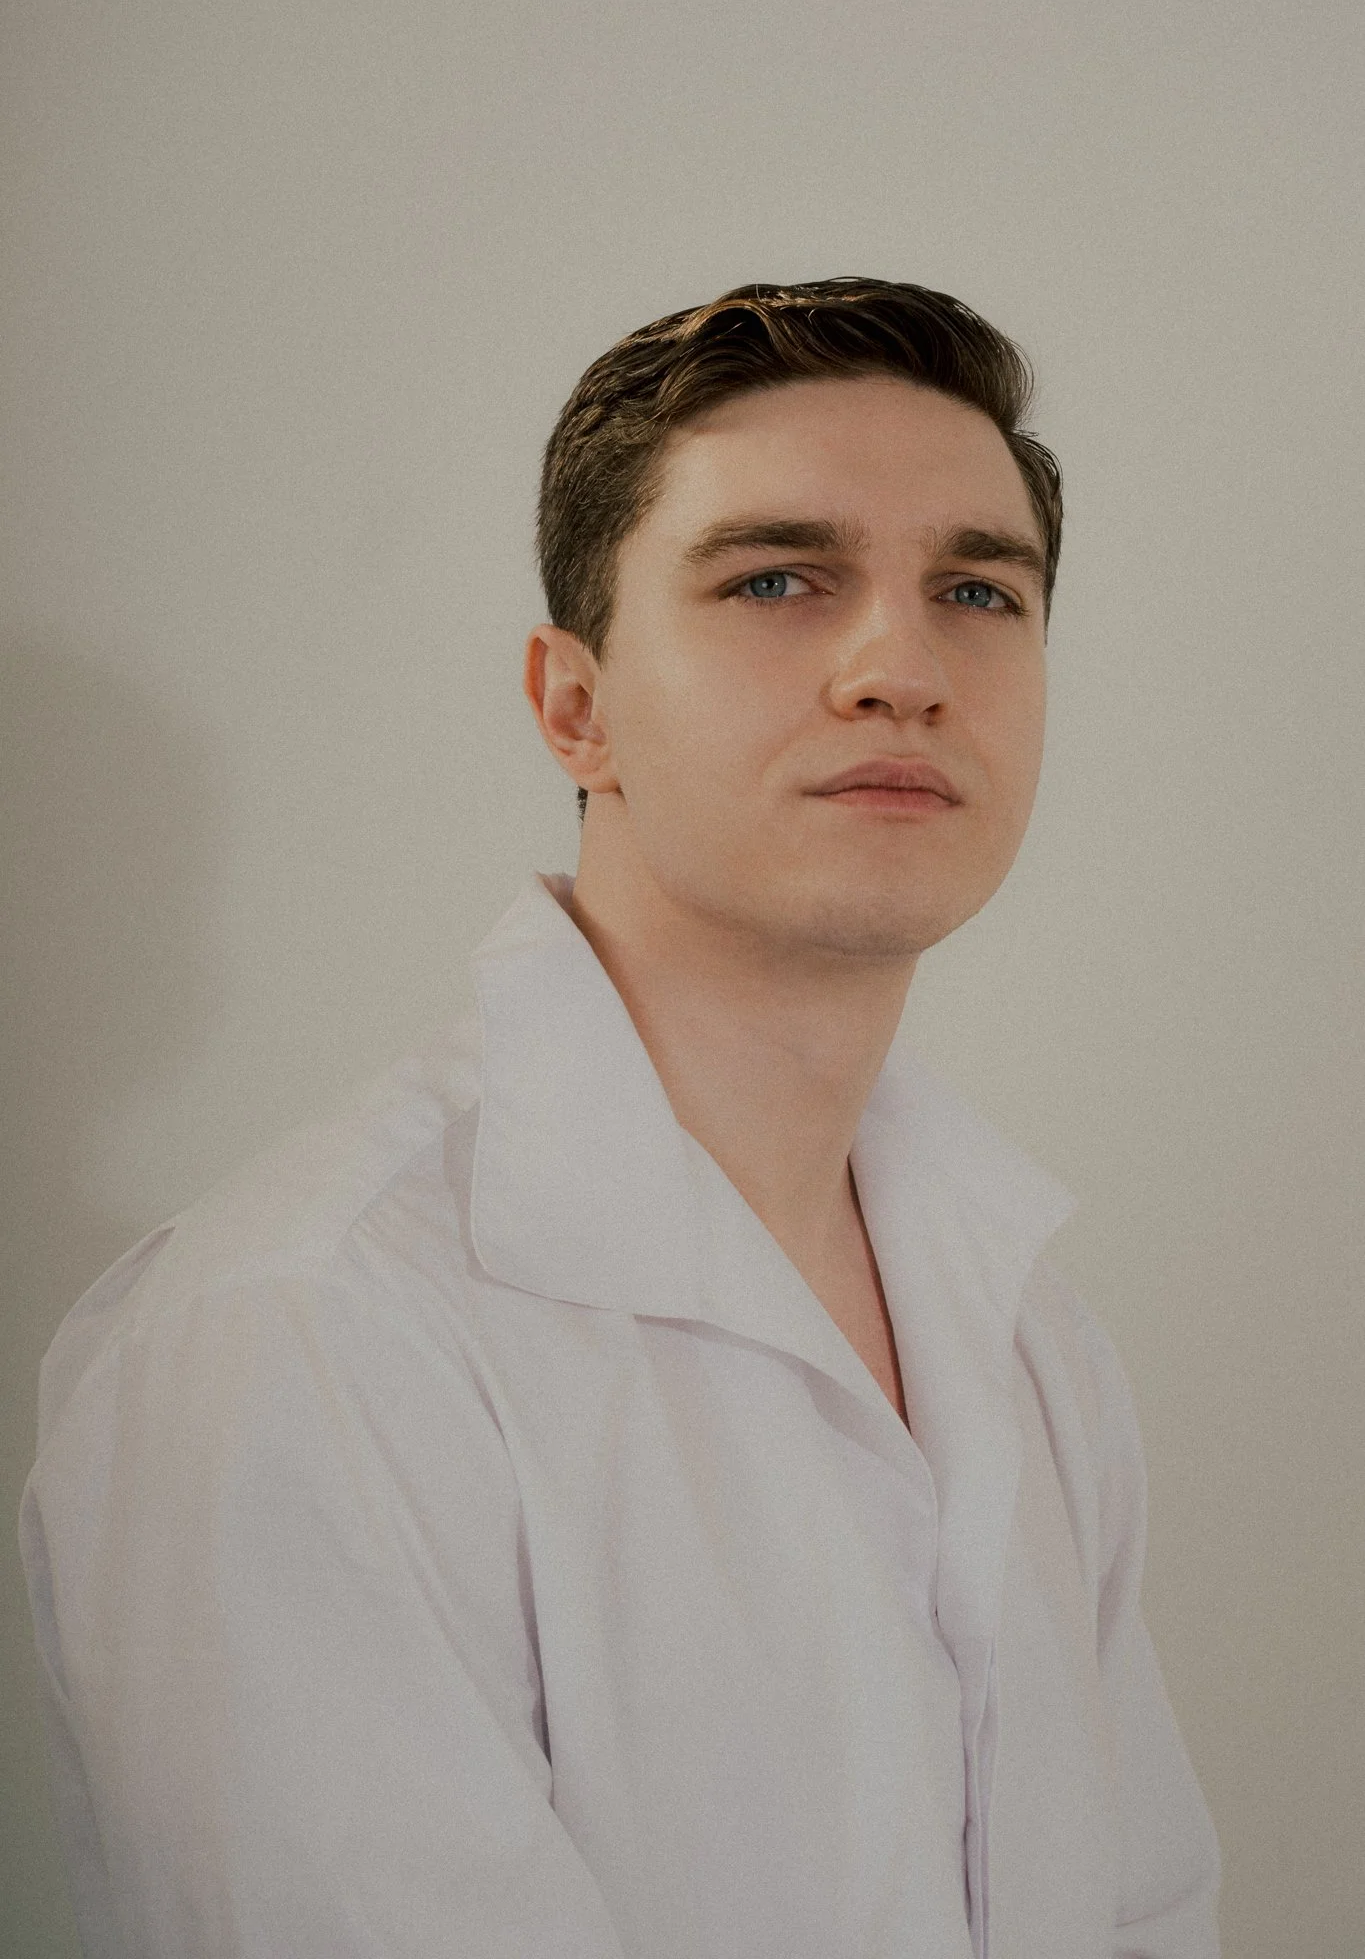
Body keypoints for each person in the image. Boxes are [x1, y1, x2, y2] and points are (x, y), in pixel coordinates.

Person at [20, 278, 1221, 1958]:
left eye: (977, 590)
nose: (903, 669)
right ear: (575, 708)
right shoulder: (304, 1335)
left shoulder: (1028, 1331)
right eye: (778, 579)